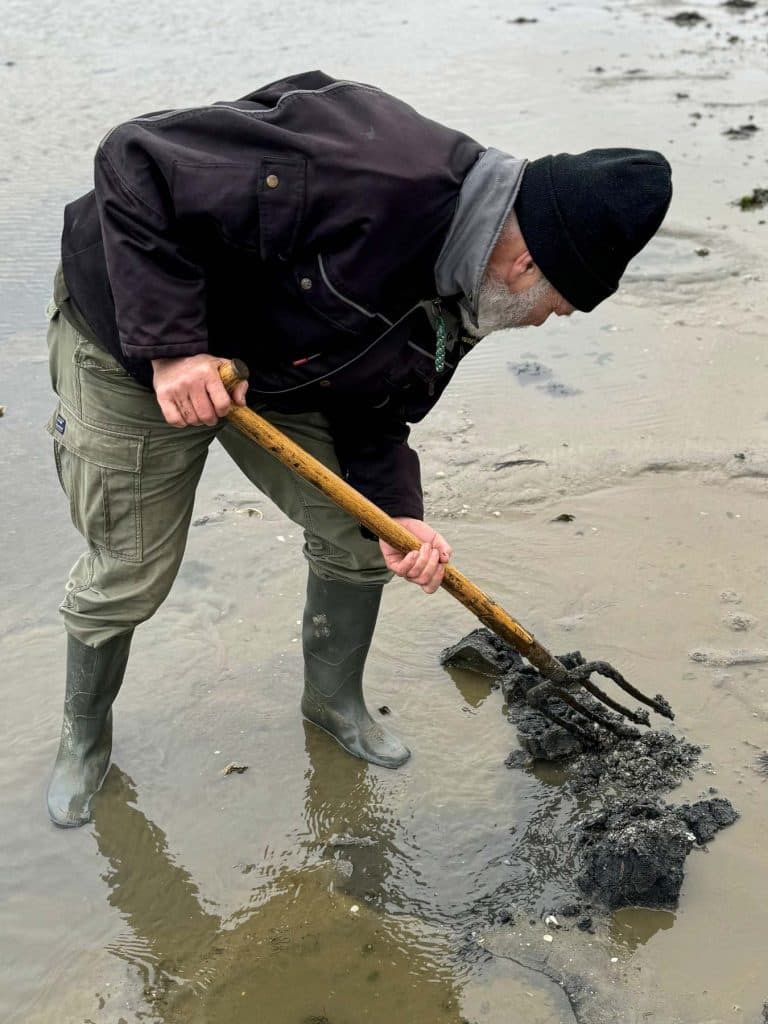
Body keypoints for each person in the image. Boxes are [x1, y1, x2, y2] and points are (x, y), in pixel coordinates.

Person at [45, 70, 672, 827]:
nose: (543, 322)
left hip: (280, 372)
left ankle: (333, 705)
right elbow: (133, 161)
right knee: (131, 569)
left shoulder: (466, 297)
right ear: (527, 265)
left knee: (359, 536)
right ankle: (84, 741)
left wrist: (399, 515)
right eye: (556, 308)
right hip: (129, 342)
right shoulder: (364, 169)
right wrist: (173, 348)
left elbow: (378, 408)